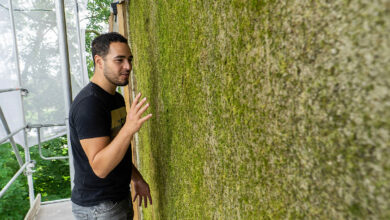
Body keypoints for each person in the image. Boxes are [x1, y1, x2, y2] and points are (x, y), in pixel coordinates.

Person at [69, 32, 152, 220]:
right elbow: (100, 167)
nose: (128, 66)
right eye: (119, 60)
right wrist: (129, 128)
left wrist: (136, 178)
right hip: (98, 208)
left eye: (129, 59)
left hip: (117, 199)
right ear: (99, 61)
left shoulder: (116, 99)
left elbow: (116, 149)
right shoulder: (89, 105)